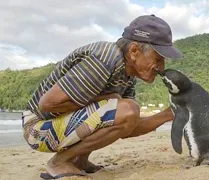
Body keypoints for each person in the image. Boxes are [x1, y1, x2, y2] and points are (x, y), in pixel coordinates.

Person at [21, 14, 183, 179]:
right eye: (158, 59)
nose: (161, 68)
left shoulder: (127, 76)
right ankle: (59, 162)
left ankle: (79, 160)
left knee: (126, 109)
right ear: (134, 51)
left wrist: (167, 115)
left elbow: (126, 126)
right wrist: (107, 99)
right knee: (124, 107)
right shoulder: (105, 58)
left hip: (57, 125)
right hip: (37, 128)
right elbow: (46, 105)